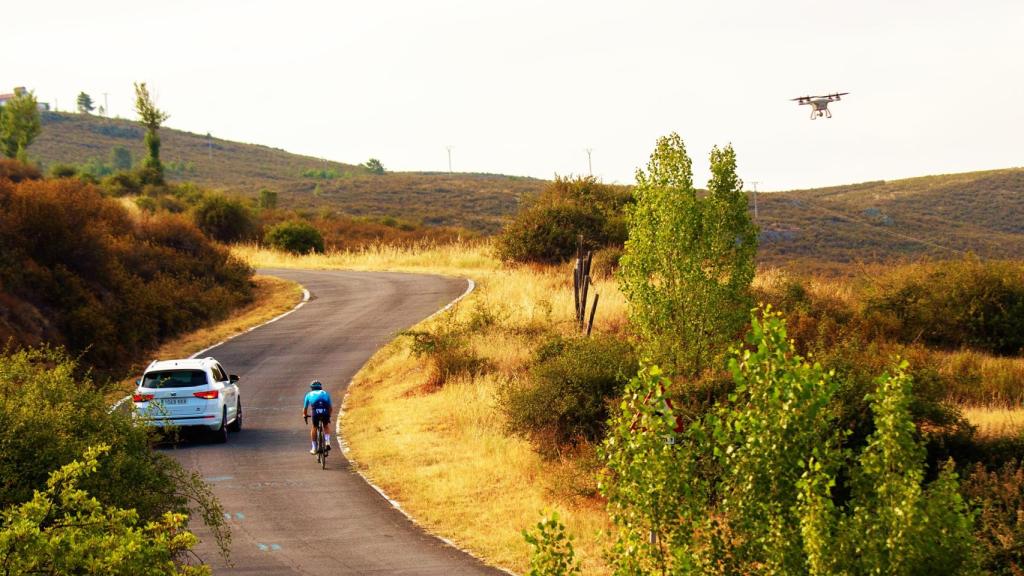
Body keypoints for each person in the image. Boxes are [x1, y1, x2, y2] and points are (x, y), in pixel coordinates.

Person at [302, 380, 332, 455]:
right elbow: (330, 407)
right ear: (321, 387)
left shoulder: (309, 394)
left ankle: (314, 448)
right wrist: (329, 416)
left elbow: (305, 408)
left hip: (315, 412)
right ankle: (327, 442)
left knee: (314, 427)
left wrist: (304, 415)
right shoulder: (325, 393)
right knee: (326, 425)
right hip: (325, 411)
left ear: (312, 388)